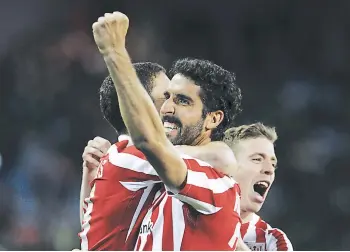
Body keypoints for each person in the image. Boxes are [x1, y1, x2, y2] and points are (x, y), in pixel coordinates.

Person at [92, 11, 243, 250]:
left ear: (213, 119)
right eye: (167, 97)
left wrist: (114, 52)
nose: (167, 108)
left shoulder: (215, 185)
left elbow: (150, 142)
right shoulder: (157, 187)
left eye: (182, 101)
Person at [79, 62, 170, 250]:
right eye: (166, 97)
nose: (173, 106)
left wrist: (90, 176)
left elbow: (91, 229)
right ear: (139, 107)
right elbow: (216, 159)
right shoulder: (134, 158)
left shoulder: (118, 157)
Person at [223, 123, 293, 251]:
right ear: (226, 167)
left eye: (273, 164)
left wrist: (238, 246)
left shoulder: (273, 242)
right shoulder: (180, 220)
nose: (269, 170)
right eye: (257, 159)